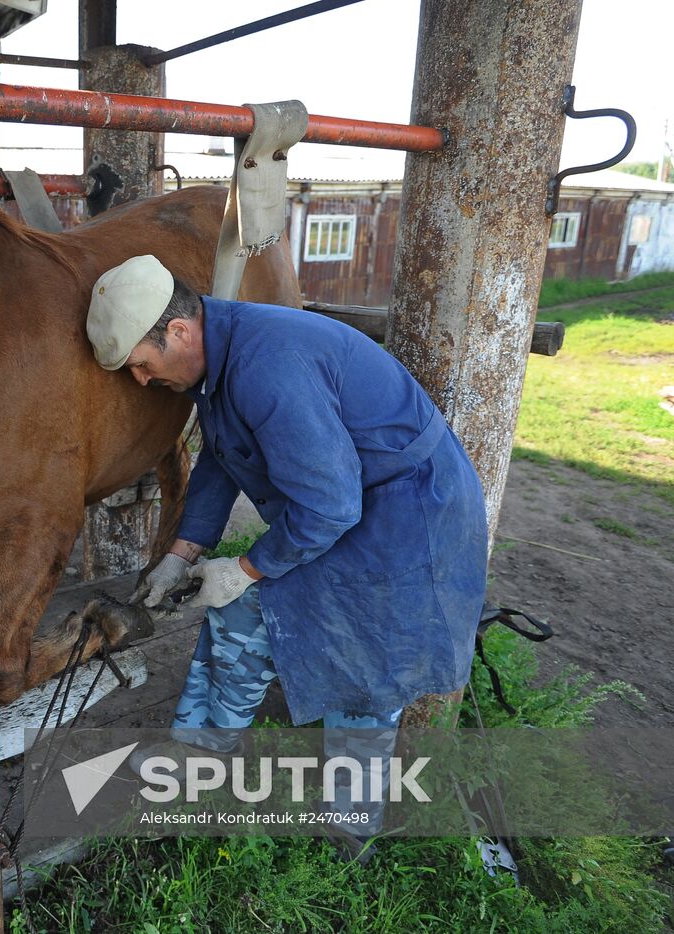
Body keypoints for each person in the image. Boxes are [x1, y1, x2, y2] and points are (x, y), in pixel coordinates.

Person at [86, 254, 489, 857]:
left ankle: (349, 836)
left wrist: (244, 568)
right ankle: (196, 762)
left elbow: (328, 507)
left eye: (142, 366)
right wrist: (182, 552)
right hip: (350, 502)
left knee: (364, 672)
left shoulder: (266, 364)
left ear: (177, 331)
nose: (141, 381)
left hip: (406, 517)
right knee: (238, 617)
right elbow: (222, 457)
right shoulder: (218, 358)